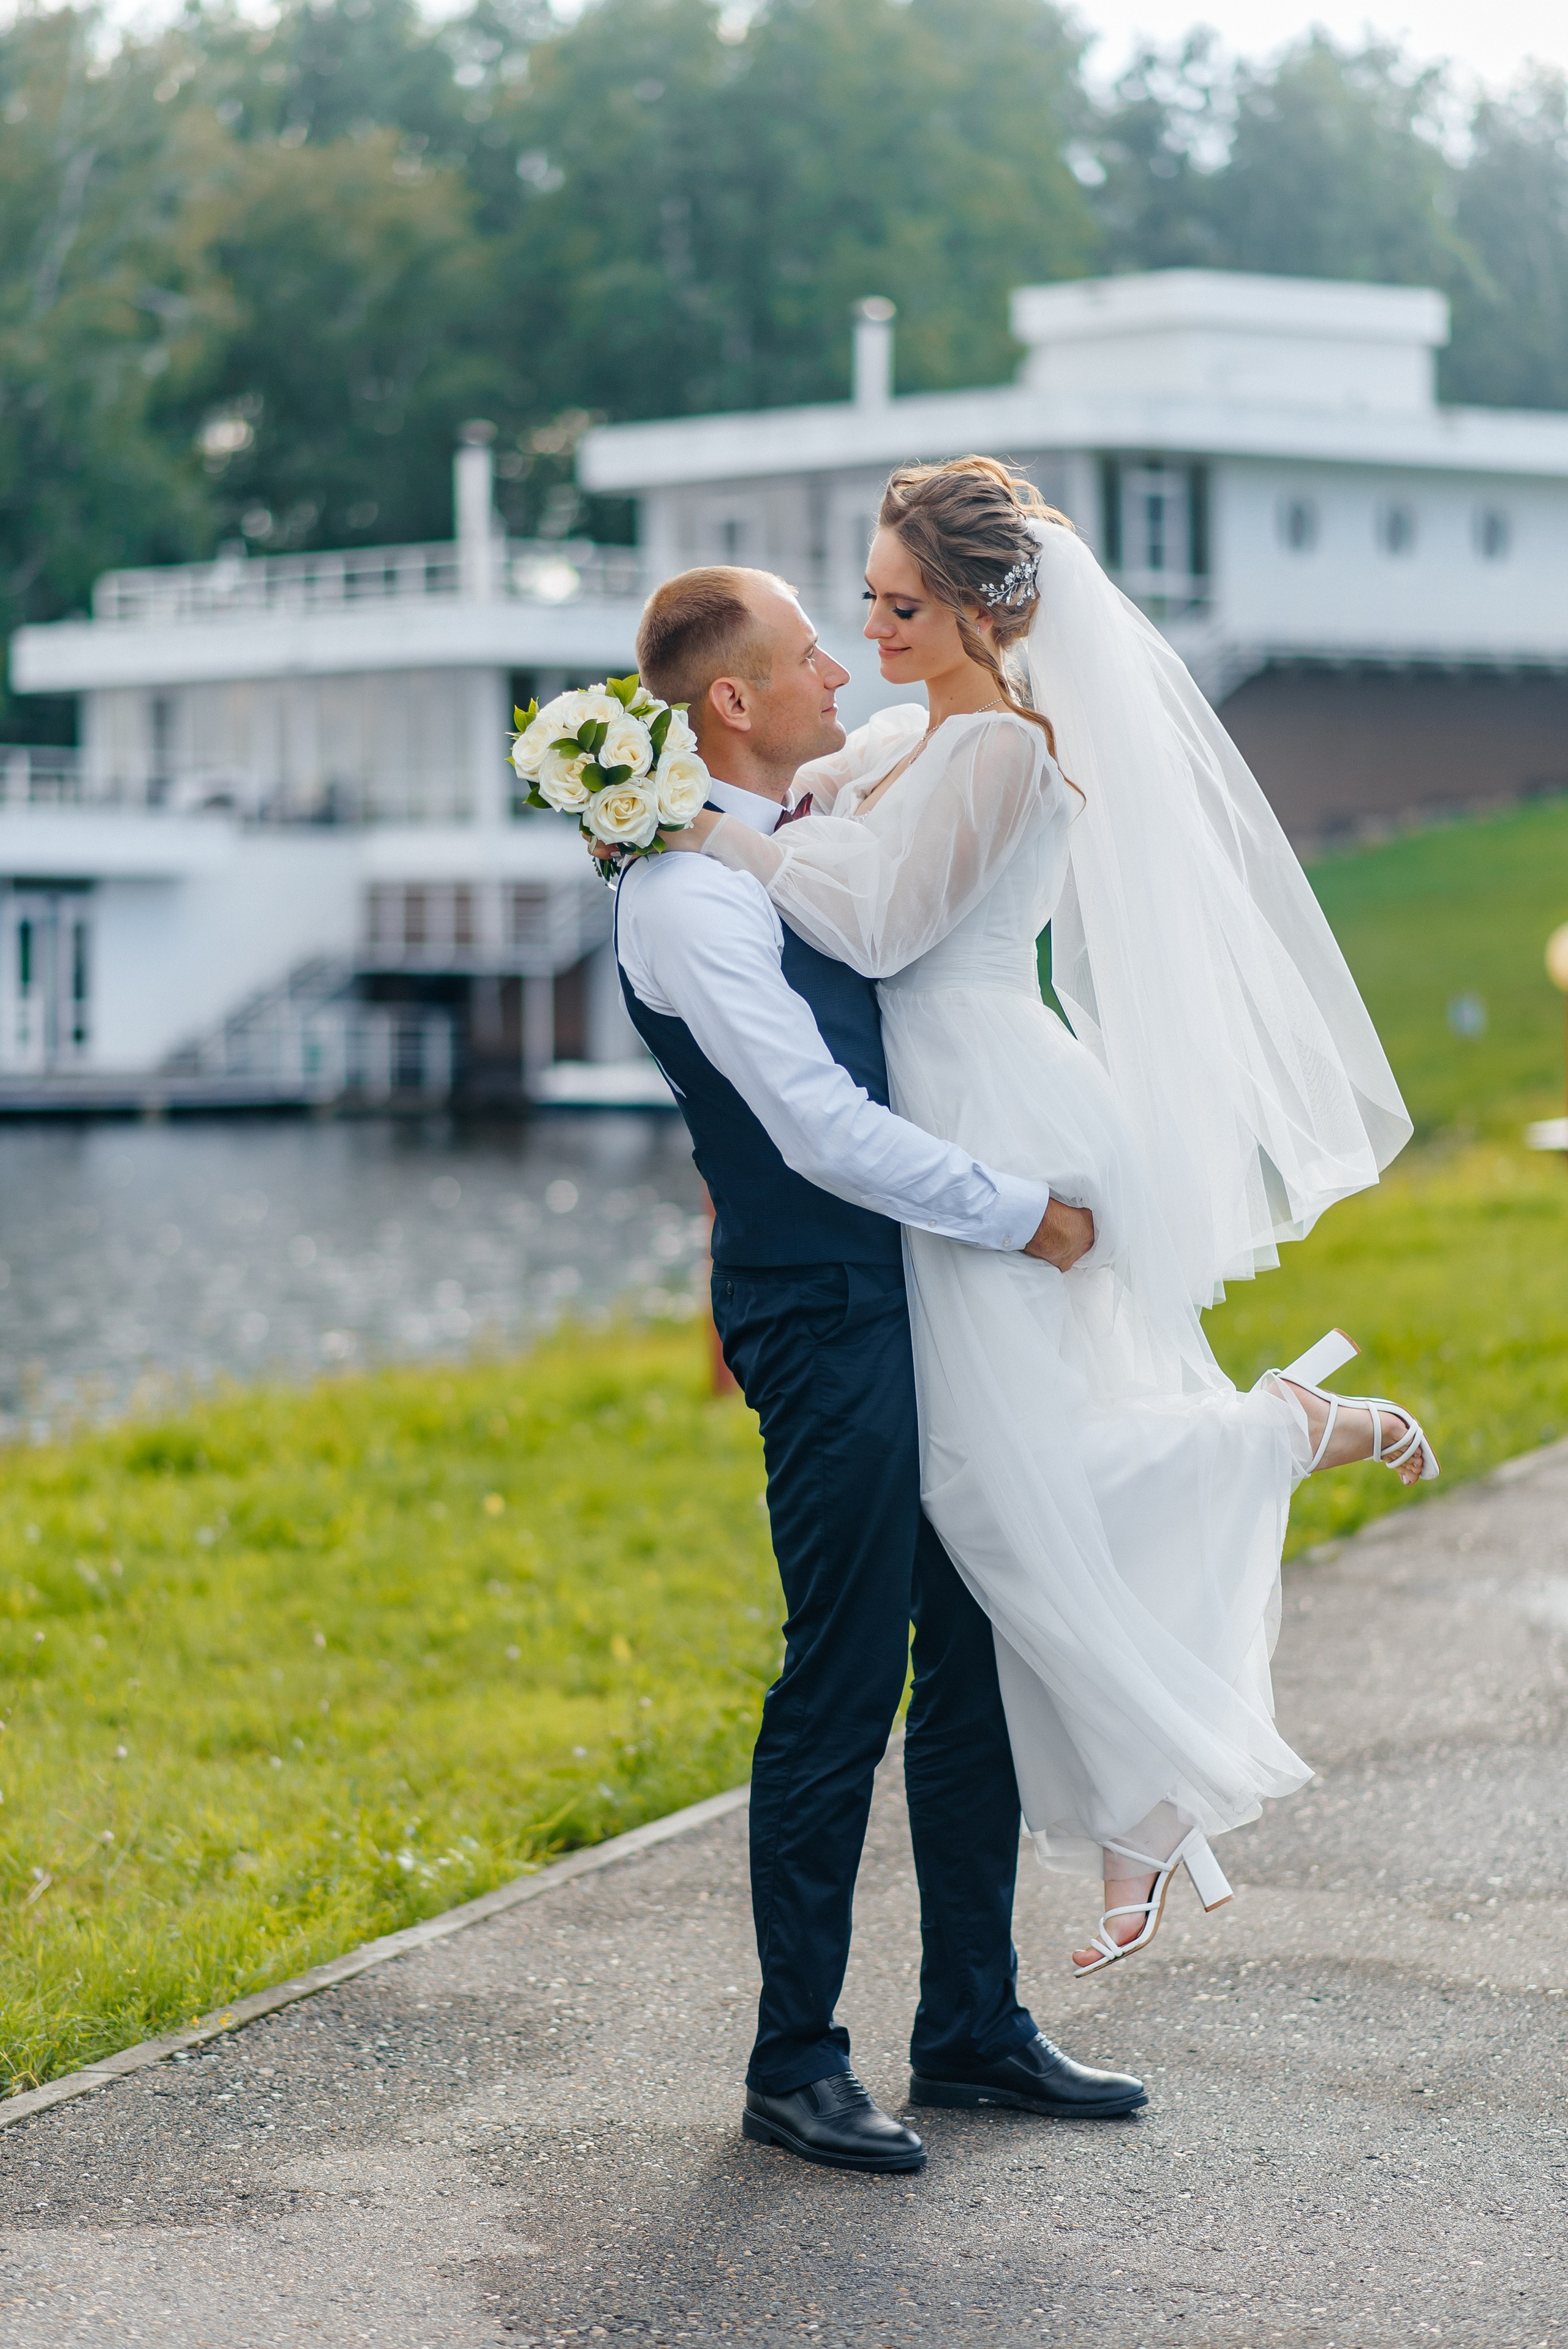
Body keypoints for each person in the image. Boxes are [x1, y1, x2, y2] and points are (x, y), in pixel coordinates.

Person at [665, 457, 1436, 1980]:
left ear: (975, 613)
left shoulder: (1007, 754)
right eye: (867, 600)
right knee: (998, 1485)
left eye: (898, 605)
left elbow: (880, 924)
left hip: (995, 1113)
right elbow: (834, 809)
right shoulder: (903, 737)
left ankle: (1281, 1431)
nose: (869, 628)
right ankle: (1141, 1805)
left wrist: (711, 834)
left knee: (999, 1481)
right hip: (942, 1117)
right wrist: (749, 797)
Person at [616, 564, 1148, 2175]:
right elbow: (818, 1131)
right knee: (844, 1673)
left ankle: (971, 2025)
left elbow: (891, 810)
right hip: (824, 1301)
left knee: (972, 1634)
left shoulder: (773, 834)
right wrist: (1022, 1217)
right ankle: (795, 2060)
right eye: (806, 652)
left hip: (908, 1285)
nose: (842, 668)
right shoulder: (687, 900)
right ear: (732, 701)